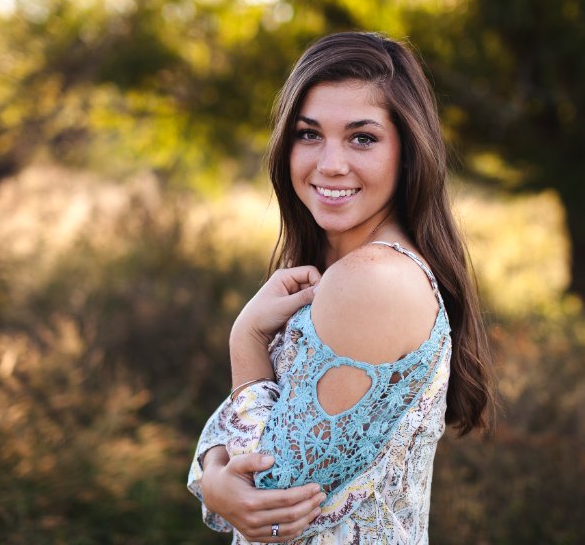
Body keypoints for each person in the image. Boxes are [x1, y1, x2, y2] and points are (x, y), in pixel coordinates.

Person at [187, 32, 492, 544]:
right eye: (309, 134)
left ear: (408, 152)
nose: (330, 163)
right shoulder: (335, 265)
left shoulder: (373, 280)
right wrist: (213, 475)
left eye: (362, 138)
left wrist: (246, 340)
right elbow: (252, 473)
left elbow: (270, 499)